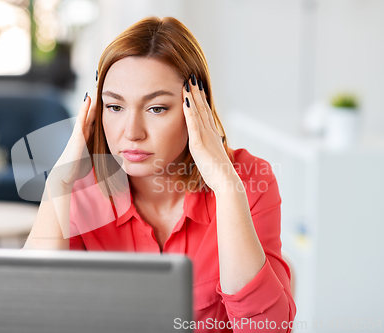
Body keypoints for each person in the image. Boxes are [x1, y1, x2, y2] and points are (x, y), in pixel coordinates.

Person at [24, 16, 296, 333]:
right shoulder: (82, 191)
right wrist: (58, 181)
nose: (132, 133)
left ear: (196, 108)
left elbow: (267, 328)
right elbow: (31, 314)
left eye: (156, 108)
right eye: (115, 107)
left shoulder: (247, 181)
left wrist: (225, 187)